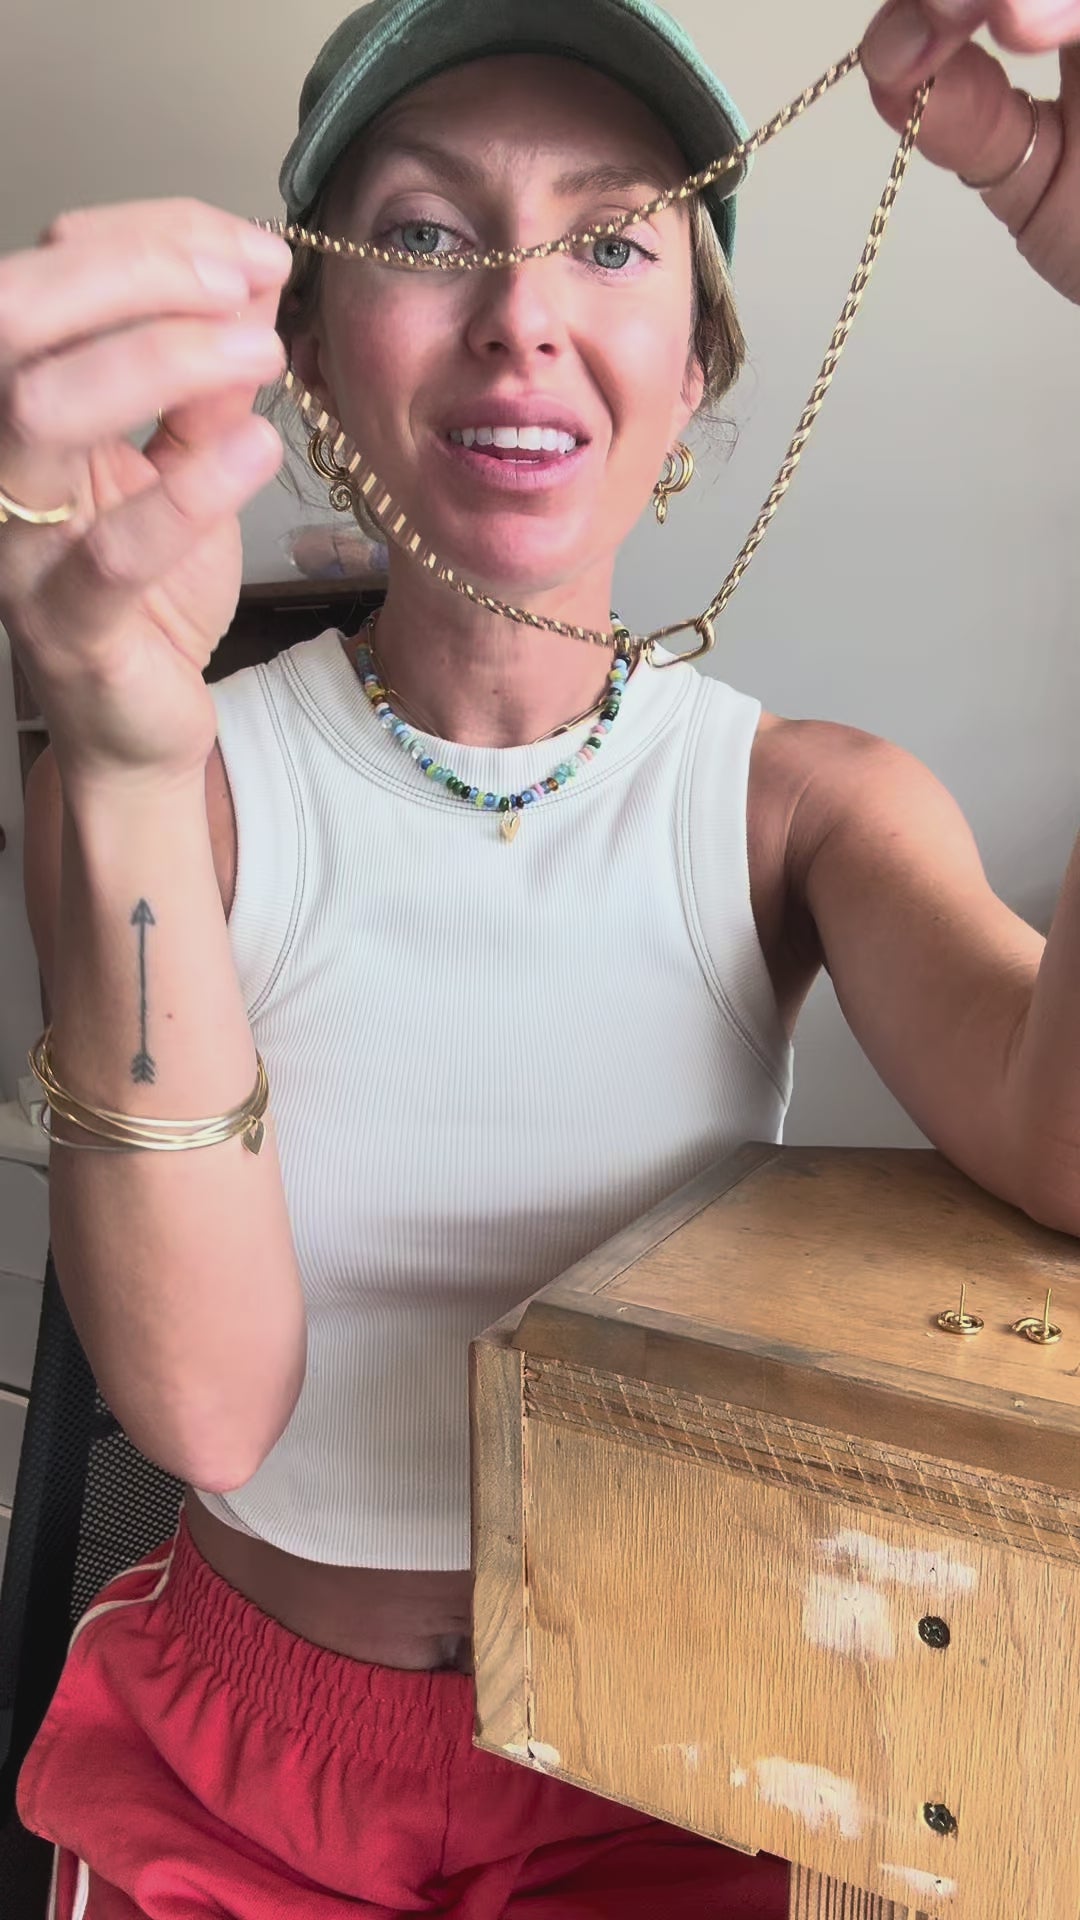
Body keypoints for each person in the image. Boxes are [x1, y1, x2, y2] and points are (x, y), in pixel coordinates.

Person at [2, 0, 1078, 1912]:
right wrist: (121, 757)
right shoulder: (186, 778)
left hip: (682, 1746)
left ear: (695, 358)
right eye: (424, 233)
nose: (520, 315)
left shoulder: (808, 809)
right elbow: (203, 1414)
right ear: (310, 346)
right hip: (238, 1765)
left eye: (610, 240)